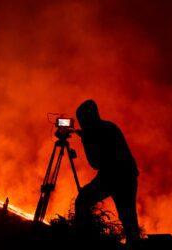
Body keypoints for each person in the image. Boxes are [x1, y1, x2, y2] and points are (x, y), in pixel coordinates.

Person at [74, 99, 140, 245]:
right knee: (129, 217)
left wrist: (85, 140)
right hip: (127, 175)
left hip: (113, 177)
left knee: (82, 201)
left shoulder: (95, 132)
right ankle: (135, 243)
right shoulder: (110, 127)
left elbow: (95, 163)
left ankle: (82, 240)